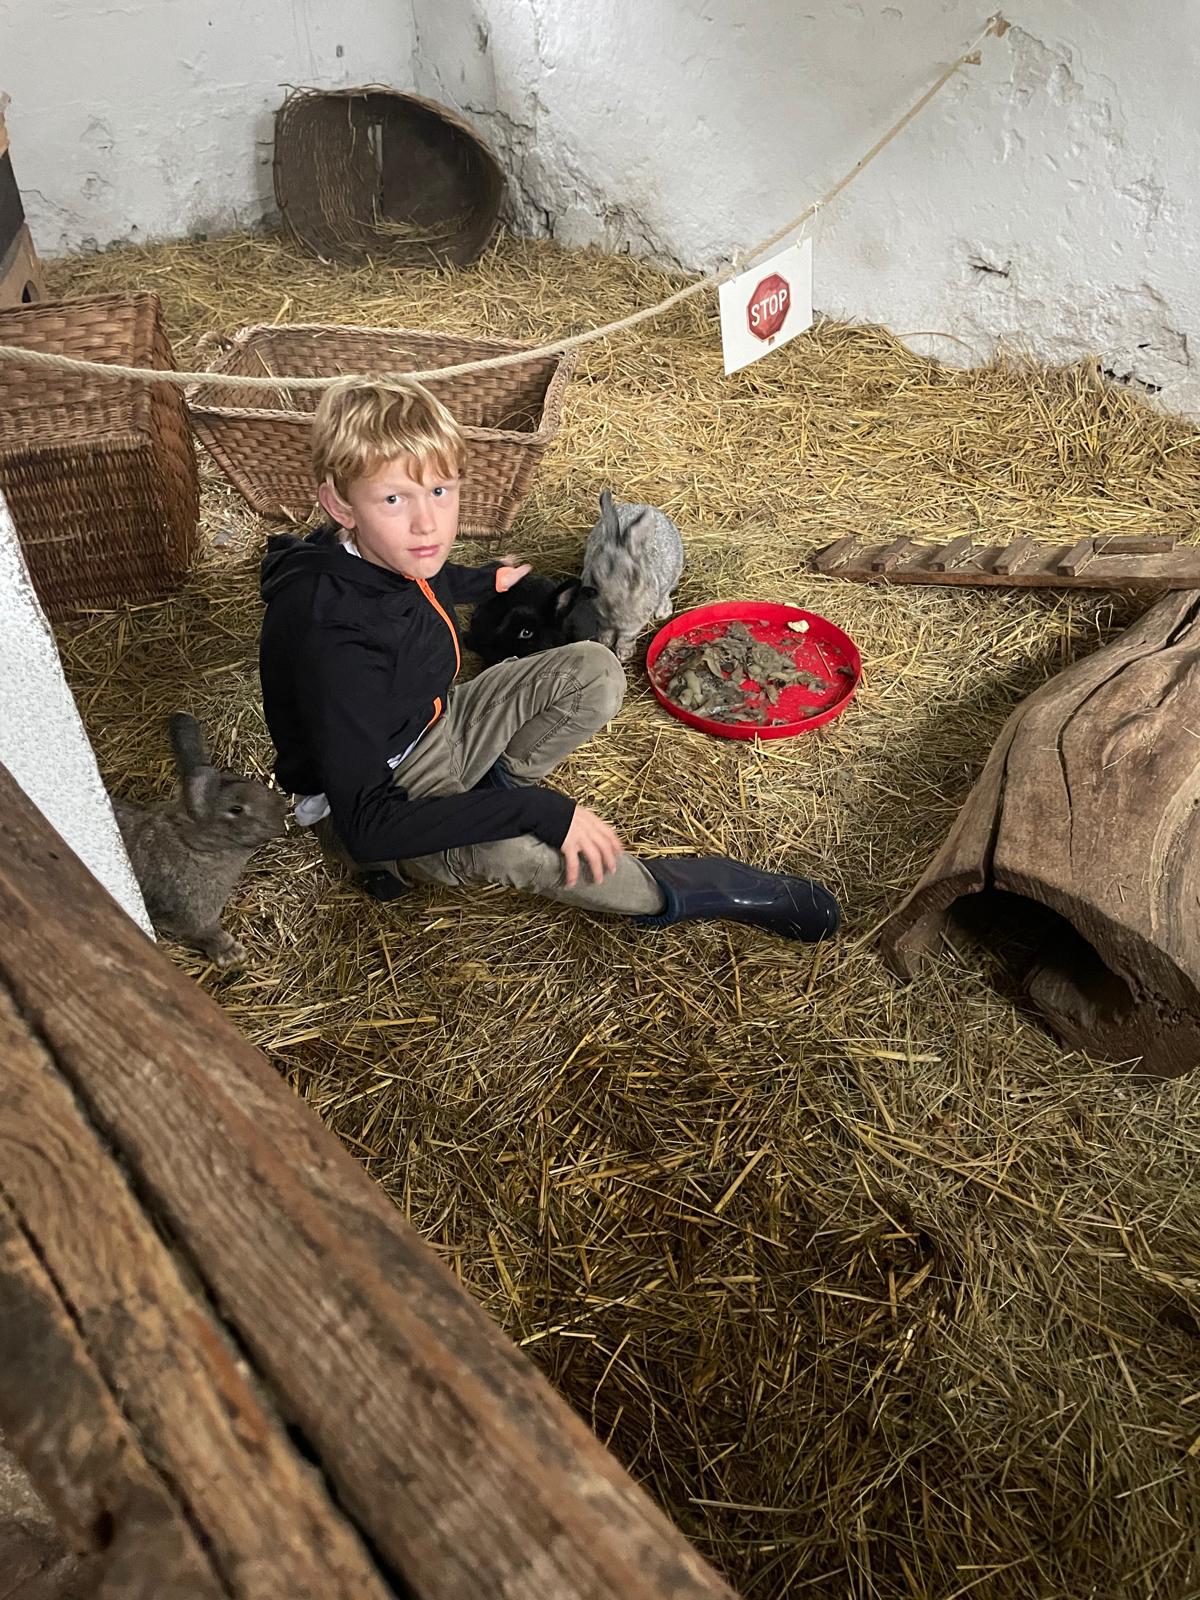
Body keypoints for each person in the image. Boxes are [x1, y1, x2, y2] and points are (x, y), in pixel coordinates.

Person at [258, 376, 841, 941]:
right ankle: (678, 892)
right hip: (384, 792)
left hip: (431, 721)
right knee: (521, 849)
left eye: (440, 491)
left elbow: (425, 575)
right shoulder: (334, 640)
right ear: (340, 504)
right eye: (394, 499)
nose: (428, 523)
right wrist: (540, 813)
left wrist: (486, 580)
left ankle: (496, 782)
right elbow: (368, 823)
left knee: (593, 668)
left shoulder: (381, 549)